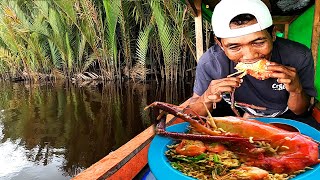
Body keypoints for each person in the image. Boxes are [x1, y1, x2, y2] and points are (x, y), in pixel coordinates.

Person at [180, 0, 319, 129]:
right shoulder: (211, 63)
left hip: (284, 118)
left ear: (274, 34)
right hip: (234, 114)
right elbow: (193, 113)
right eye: (234, 47)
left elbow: (300, 111)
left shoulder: (298, 56)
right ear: (220, 45)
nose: (250, 55)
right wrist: (207, 97)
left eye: (258, 43)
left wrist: (296, 90)